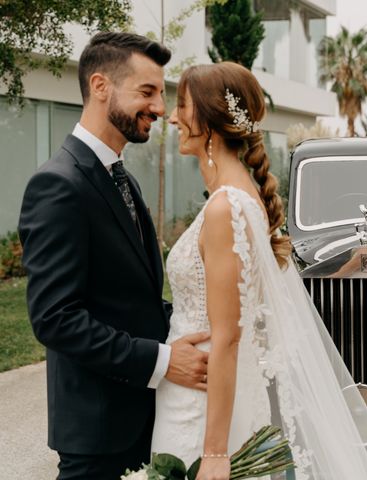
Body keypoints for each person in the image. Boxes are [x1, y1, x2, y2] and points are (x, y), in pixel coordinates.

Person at [151, 61, 367, 480]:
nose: (173, 116)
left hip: (202, 411)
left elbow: (229, 337)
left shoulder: (224, 207)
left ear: (212, 120)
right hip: (200, 394)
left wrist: (214, 453)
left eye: (183, 106)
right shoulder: (242, 197)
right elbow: (266, 312)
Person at [18, 32, 210, 480]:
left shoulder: (122, 178)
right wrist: (162, 362)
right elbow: (55, 318)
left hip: (148, 423)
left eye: (160, 94)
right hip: (98, 436)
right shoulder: (58, 185)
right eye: (147, 92)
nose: (161, 109)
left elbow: (130, 299)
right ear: (101, 86)